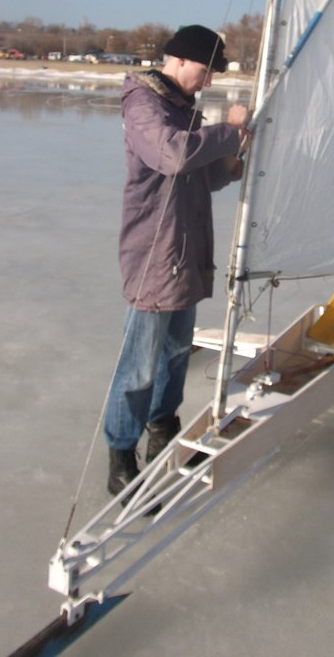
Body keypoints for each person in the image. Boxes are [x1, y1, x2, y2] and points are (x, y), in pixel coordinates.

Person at [103, 25, 249, 497]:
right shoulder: (144, 104)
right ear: (181, 59)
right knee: (139, 366)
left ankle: (163, 430)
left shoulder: (183, 109)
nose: (207, 81)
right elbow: (172, 156)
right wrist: (226, 132)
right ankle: (121, 454)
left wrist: (230, 160)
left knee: (176, 353)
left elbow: (195, 179)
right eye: (206, 70)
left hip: (185, 253)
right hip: (154, 255)